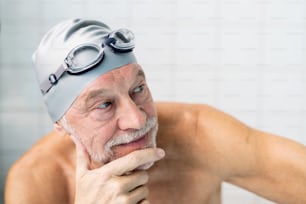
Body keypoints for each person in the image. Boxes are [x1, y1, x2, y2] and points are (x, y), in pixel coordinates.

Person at [5, 19, 306, 204]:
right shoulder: (37, 182)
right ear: (61, 124)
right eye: (104, 105)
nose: (138, 119)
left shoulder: (200, 137)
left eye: (138, 90)